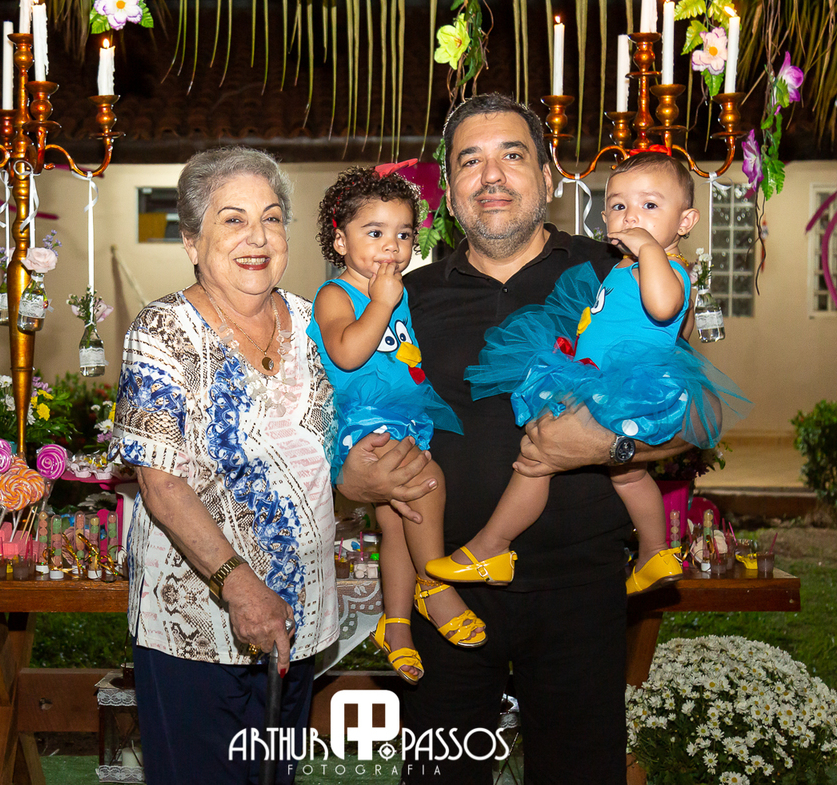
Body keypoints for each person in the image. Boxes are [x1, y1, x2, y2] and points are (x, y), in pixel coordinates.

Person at [336, 93, 695, 785]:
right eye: (469, 161)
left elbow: (691, 420)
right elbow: (349, 411)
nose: (491, 175)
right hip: (446, 590)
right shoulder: (402, 295)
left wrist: (610, 448)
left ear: (549, 176)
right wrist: (350, 478)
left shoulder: (620, 274)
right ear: (449, 192)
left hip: (581, 591)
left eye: (512, 154)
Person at [109, 146, 339, 785]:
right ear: (191, 241)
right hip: (195, 628)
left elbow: (338, 453)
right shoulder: (163, 332)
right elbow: (159, 481)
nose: (257, 238)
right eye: (233, 220)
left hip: (298, 620)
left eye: (271, 219)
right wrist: (239, 585)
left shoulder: (314, 323)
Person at [428, 151, 749, 596]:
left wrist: (650, 250)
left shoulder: (665, 266)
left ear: (685, 221)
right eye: (618, 205)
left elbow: (664, 307)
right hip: (598, 374)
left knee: (534, 461)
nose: (631, 216)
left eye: (649, 205)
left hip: (623, 383)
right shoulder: (622, 267)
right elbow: (659, 325)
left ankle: (492, 548)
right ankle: (655, 552)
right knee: (627, 475)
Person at [307, 164, 485, 687]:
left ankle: (397, 624)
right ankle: (435, 584)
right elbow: (346, 354)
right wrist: (382, 302)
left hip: (405, 415)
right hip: (364, 420)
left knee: (396, 524)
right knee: (427, 482)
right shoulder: (336, 294)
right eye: (375, 232)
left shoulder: (397, 292)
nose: (392, 246)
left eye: (404, 234)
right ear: (340, 242)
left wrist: (391, 300)